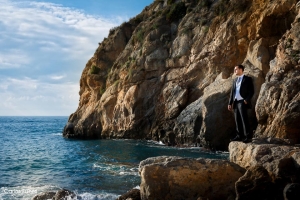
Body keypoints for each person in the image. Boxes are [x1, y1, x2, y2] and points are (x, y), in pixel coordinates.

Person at [228, 64, 254, 143]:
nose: (234, 71)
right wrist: (230, 103)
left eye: (236, 69)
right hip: (236, 102)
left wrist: (247, 99)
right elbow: (232, 93)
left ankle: (248, 136)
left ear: (240, 69)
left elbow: (251, 91)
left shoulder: (247, 79)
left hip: (243, 101)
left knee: (244, 119)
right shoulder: (235, 80)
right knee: (237, 119)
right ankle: (239, 136)